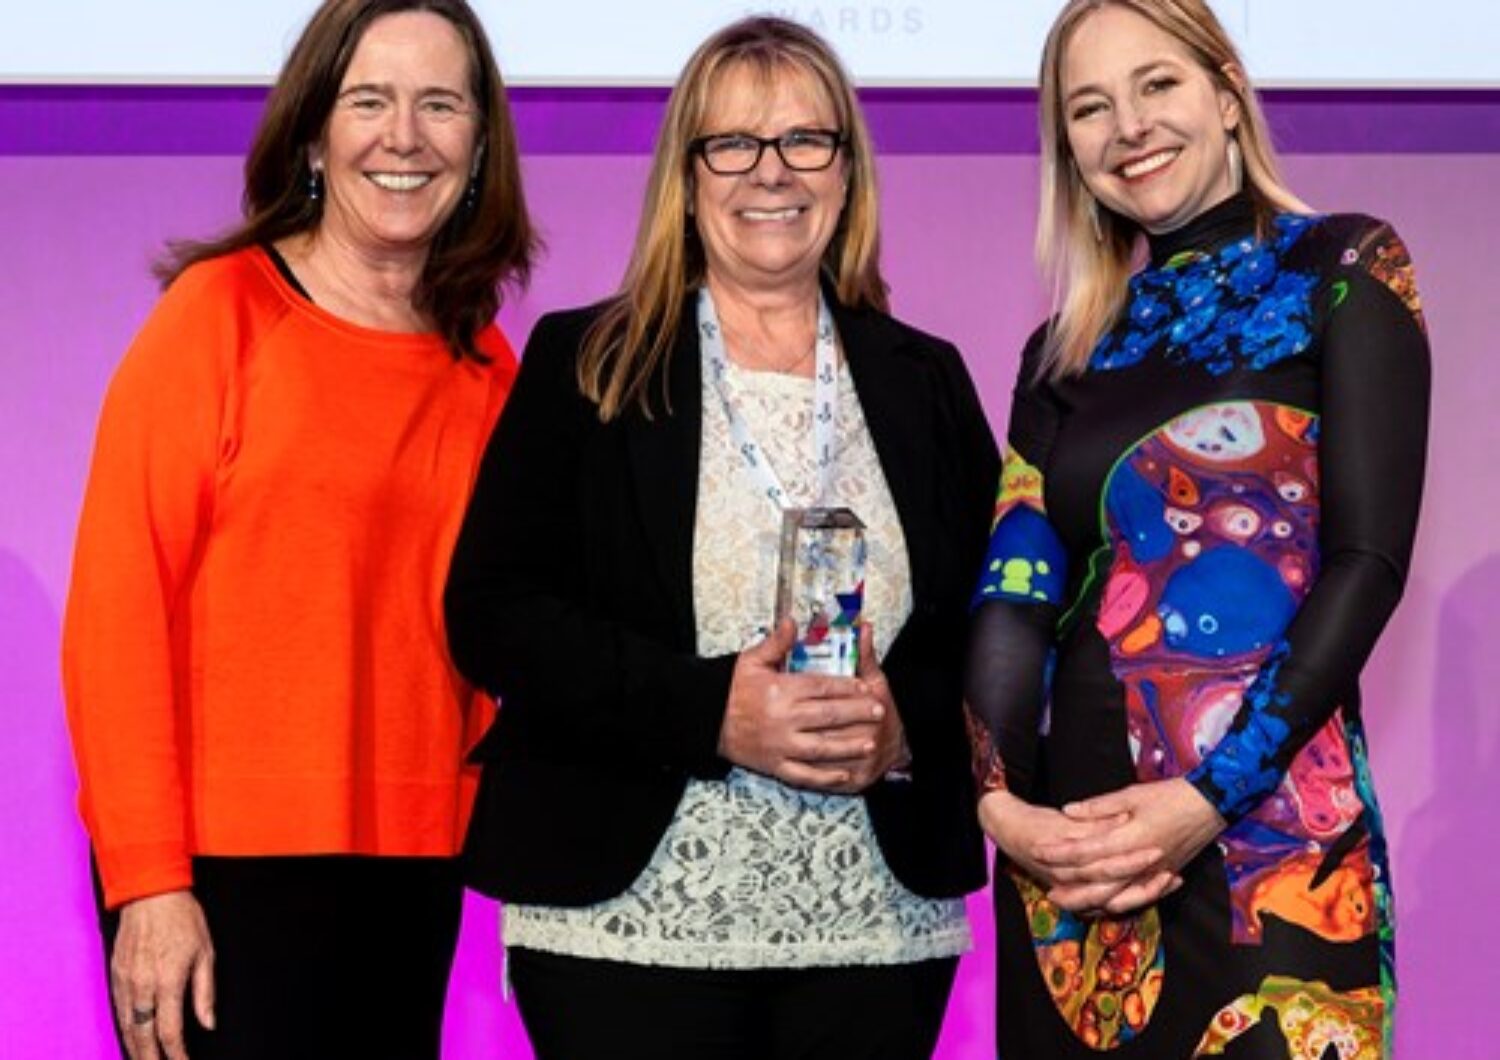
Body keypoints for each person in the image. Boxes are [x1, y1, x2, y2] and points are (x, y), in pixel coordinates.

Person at [444, 16, 997, 1059]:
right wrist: (714, 711)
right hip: (625, 919)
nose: (770, 172)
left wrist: (906, 730)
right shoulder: (584, 362)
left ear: (846, 170)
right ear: (687, 177)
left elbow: (996, 625)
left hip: (874, 923)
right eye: (731, 143)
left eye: (804, 140)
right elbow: (494, 614)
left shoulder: (927, 379)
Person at [61, 1, 536, 1056]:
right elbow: (117, 616)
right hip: (217, 880)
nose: (403, 136)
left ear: (479, 141)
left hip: (416, 875)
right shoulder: (217, 315)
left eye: (439, 104)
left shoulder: (490, 365)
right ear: (316, 132)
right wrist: (148, 881)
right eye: (368, 100)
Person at [964, 1, 1430, 1057]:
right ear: (1069, 150)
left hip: (1274, 850)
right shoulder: (1061, 350)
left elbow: (1367, 561)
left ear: (1225, 93)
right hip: (1070, 868)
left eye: (1157, 84)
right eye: (1089, 107)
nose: (1128, 125)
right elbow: (1013, 598)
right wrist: (1003, 809)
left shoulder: (1343, 268)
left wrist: (1205, 798)